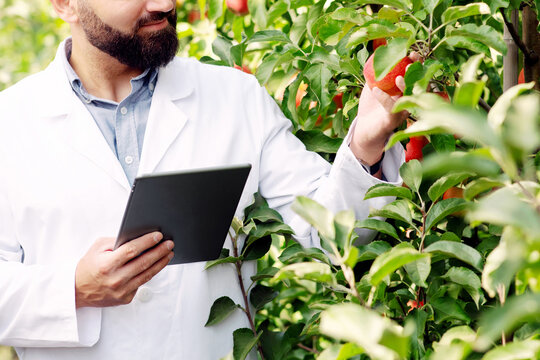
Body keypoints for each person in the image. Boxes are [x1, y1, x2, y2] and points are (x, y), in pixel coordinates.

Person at [0, 0, 408, 358]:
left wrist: (367, 144)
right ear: (65, 5)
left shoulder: (236, 97)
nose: (164, 4)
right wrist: (73, 288)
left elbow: (331, 234)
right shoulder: (10, 125)